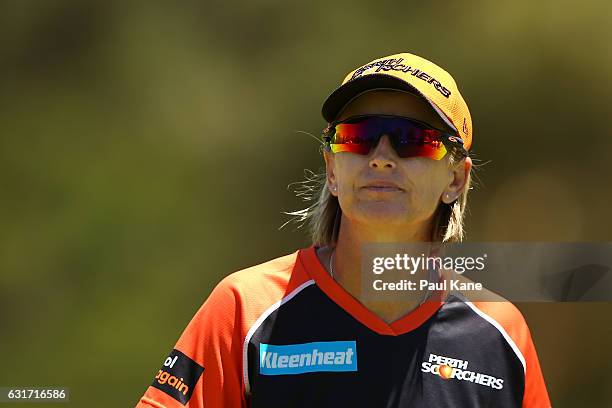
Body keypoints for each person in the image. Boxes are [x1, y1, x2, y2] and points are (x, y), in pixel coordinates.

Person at [135, 52, 551, 407]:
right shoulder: (243, 310)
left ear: (456, 180)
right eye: (358, 136)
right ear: (332, 170)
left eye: (411, 138)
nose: (382, 157)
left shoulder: (500, 335)